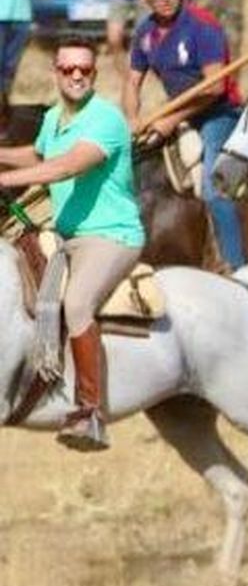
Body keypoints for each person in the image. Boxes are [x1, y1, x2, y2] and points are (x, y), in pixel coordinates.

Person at [0, 40, 145, 451]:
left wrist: (3, 179)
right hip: (65, 234)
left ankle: (89, 412)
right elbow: (39, 155)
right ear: (55, 73)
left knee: (77, 303)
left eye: (85, 70)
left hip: (109, 236)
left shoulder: (107, 120)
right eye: (68, 70)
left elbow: (67, 166)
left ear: (94, 75)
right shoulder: (54, 119)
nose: (77, 76)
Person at [122, 0, 246, 272]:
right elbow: (131, 81)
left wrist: (171, 120)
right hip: (178, 113)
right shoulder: (145, 33)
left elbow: (214, 87)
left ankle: (235, 266)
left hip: (219, 113)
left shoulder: (203, 26)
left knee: (212, 186)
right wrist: (133, 118)